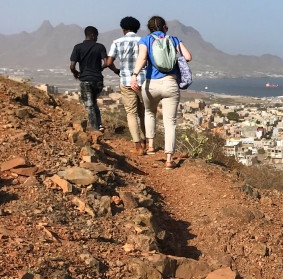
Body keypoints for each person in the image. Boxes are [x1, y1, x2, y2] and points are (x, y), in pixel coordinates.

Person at [130, 15, 192, 169]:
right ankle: (169, 159)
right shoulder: (174, 39)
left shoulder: (146, 40)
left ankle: (151, 146)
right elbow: (188, 57)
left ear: (149, 28)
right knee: (170, 122)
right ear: (165, 27)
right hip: (170, 84)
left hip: (151, 84)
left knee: (149, 112)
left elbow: (142, 58)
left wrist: (134, 75)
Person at [105, 17, 146, 155]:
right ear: (137, 28)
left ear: (123, 29)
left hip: (126, 81)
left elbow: (109, 61)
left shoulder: (117, 42)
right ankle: (147, 143)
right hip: (143, 81)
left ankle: (138, 146)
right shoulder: (143, 41)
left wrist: (117, 71)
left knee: (131, 113)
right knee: (144, 113)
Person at [70, 26, 117, 132]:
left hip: (85, 80)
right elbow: (107, 62)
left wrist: (76, 73)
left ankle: (95, 130)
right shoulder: (100, 47)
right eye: (96, 36)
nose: (96, 38)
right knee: (94, 102)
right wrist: (100, 68)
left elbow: (72, 66)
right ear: (92, 35)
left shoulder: (77, 47)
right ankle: (99, 124)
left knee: (89, 105)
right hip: (98, 81)